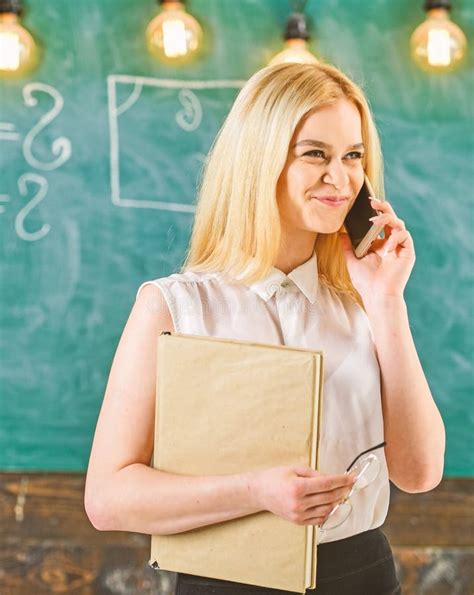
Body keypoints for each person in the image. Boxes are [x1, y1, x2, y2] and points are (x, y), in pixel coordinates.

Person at [84, 62, 446, 594]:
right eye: (314, 154)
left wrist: (387, 301)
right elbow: (107, 499)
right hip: (225, 580)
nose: (341, 178)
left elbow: (419, 473)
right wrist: (256, 491)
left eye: (353, 156)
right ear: (261, 160)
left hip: (361, 574)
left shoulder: (367, 301)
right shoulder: (174, 306)